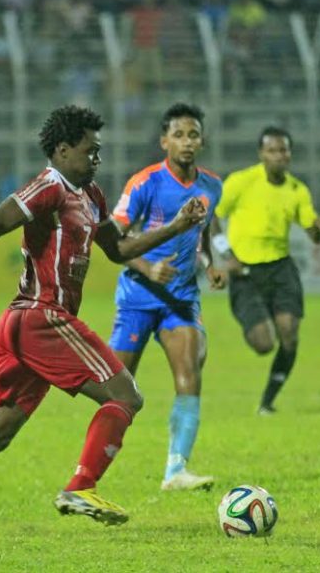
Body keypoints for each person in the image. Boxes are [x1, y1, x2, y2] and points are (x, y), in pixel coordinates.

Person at [0, 105, 207, 542]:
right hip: (41, 316)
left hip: (21, 326)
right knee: (126, 395)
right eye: (89, 151)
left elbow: (120, 250)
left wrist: (177, 225)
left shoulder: (92, 196)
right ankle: (81, 486)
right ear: (63, 150)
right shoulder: (49, 186)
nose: (96, 159)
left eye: (99, 151)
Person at [109, 103, 225, 491]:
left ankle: (176, 470)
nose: (187, 142)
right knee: (116, 390)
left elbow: (206, 230)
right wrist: (147, 267)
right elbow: (113, 238)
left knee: (189, 376)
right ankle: (88, 471)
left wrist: (210, 263)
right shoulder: (144, 183)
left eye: (193, 135)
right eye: (179, 135)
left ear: (202, 140)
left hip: (180, 298)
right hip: (138, 295)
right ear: (164, 141)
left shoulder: (212, 186)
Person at [213, 127, 320, 414]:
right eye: (273, 150)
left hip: (280, 268)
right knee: (263, 343)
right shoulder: (241, 182)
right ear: (261, 154)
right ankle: (253, 319)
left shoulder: (297, 190)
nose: (279, 156)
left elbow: (313, 232)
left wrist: (317, 231)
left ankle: (268, 401)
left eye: (284, 150)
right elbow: (212, 216)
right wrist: (226, 253)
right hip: (245, 273)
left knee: (289, 332)